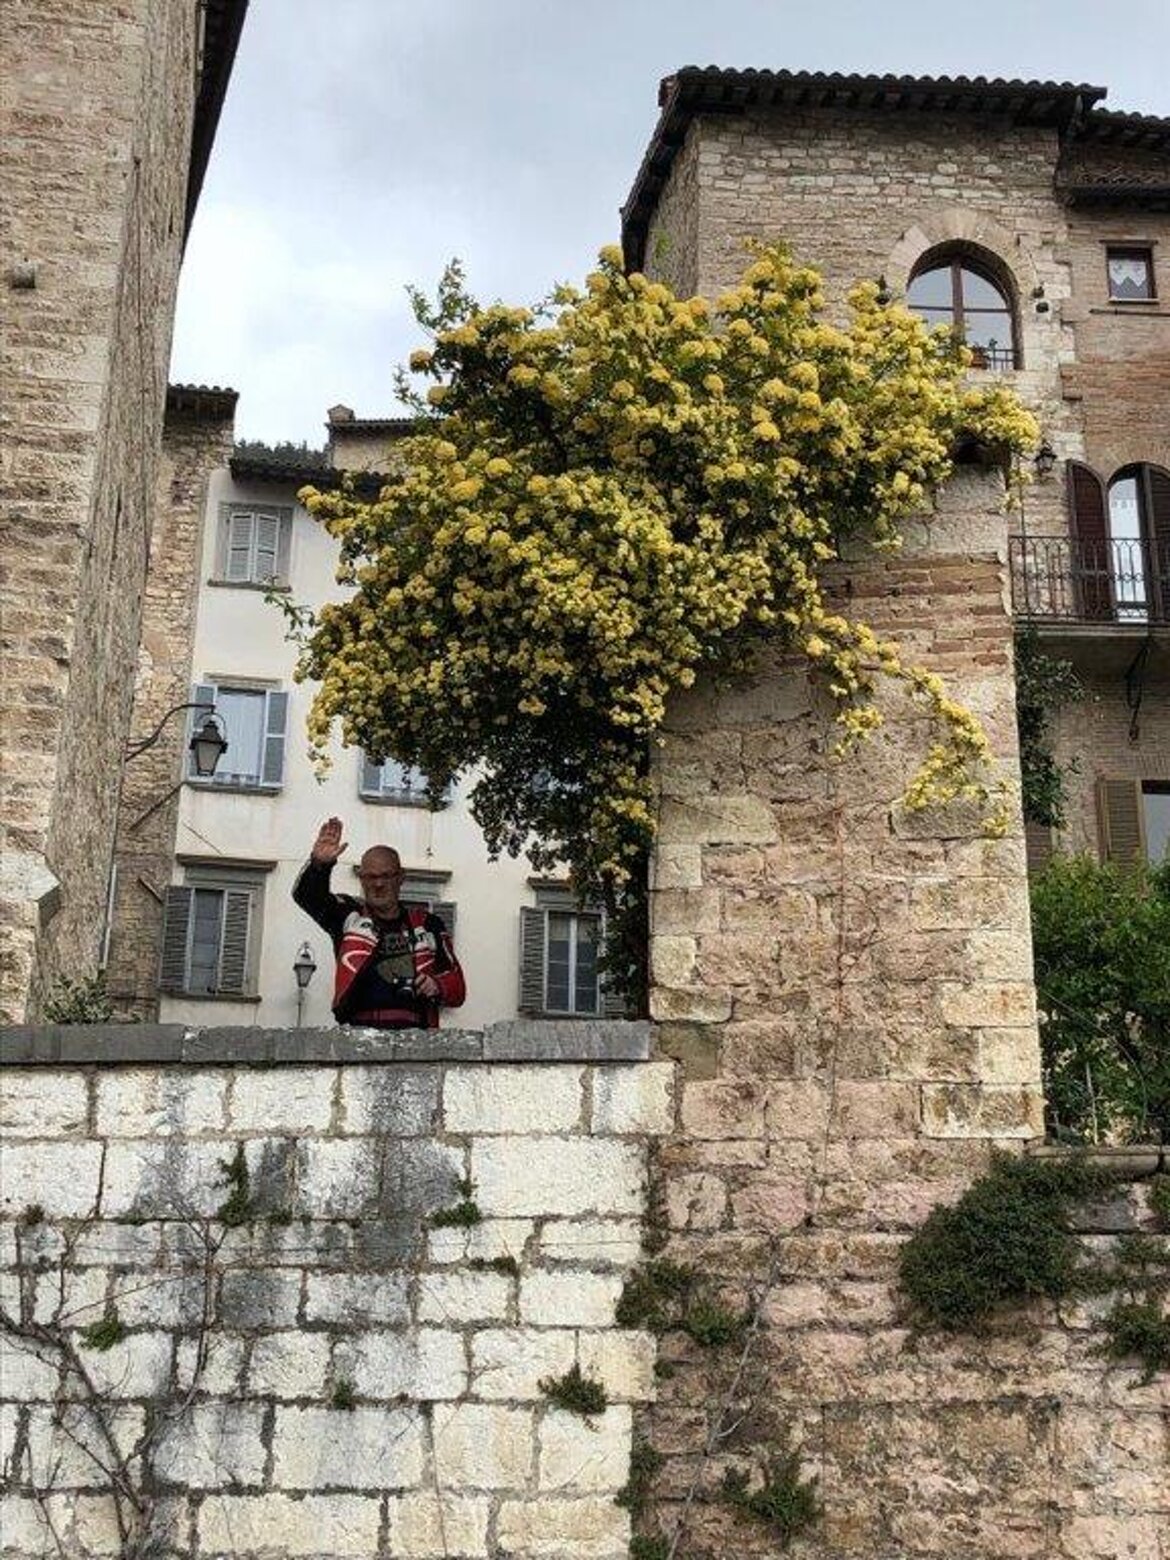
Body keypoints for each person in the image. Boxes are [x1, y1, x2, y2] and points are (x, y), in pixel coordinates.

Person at [293, 817, 465, 1029]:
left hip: (417, 1037)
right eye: (370, 877)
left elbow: (458, 987)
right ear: (361, 879)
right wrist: (319, 865)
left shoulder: (428, 924)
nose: (379, 884)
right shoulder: (349, 915)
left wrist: (437, 985)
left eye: (386, 876)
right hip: (358, 1033)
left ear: (401, 878)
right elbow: (307, 896)